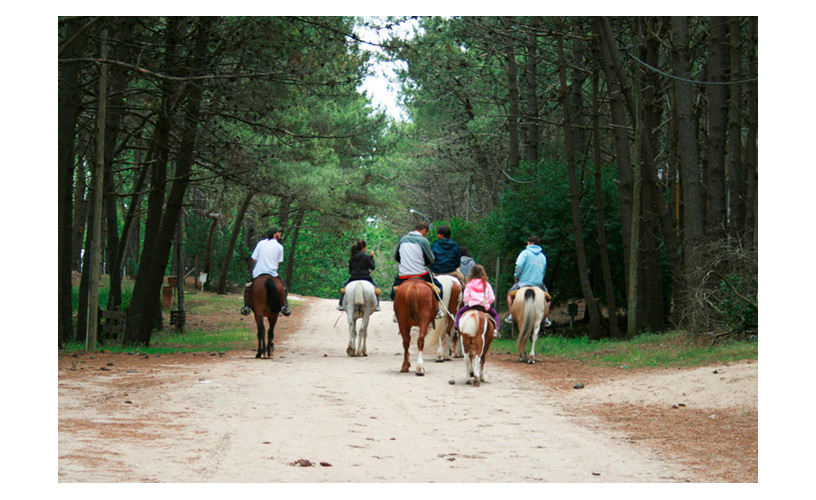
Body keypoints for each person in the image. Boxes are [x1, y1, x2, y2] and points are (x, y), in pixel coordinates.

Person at [391, 221, 443, 319]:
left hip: (404, 275)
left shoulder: (403, 239)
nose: (425, 235)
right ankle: (438, 310)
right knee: (439, 287)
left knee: (393, 292)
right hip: (421, 273)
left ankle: (396, 313)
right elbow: (431, 259)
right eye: (426, 233)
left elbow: (396, 257)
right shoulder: (423, 241)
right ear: (424, 230)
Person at [240, 227, 291, 316]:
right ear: (275, 234)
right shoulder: (279, 247)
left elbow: (254, 258)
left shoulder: (261, 243)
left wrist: (261, 264)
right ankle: (284, 306)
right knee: (284, 288)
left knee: (248, 287)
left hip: (258, 272)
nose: (280, 234)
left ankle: (246, 306)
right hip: (272, 272)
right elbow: (278, 263)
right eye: (279, 232)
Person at [504, 236, 551, 326]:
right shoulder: (543, 256)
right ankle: (546, 318)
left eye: (528, 243)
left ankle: (511, 315)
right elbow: (543, 270)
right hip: (538, 285)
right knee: (548, 299)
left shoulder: (525, 253)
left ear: (530, 243)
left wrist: (516, 276)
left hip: (523, 283)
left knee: (509, 295)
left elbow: (519, 265)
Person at [453, 264, 501, 337]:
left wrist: (470, 303)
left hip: (471, 307)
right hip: (484, 308)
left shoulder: (469, 284)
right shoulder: (486, 284)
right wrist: (487, 304)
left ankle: (456, 329)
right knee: (495, 315)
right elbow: (492, 298)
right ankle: (495, 329)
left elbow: (465, 298)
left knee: (459, 313)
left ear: (471, 273)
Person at [337, 240, 380, 311]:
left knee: (343, 288)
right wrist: (371, 257)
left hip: (353, 278)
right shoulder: (366, 257)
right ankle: (377, 305)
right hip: (366, 278)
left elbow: (350, 271)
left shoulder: (352, 258)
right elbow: (373, 267)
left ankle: (341, 304)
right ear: (363, 248)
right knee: (377, 289)